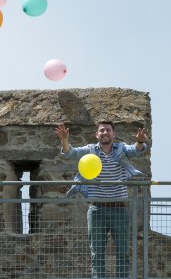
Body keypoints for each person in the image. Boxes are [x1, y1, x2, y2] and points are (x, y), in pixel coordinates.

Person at [55, 120, 149, 279]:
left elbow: (136, 151)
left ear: (114, 134)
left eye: (108, 130)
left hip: (119, 210)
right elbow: (70, 153)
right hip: (97, 210)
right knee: (97, 254)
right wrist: (64, 140)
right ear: (96, 134)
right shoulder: (90, 150)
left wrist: (140, 141)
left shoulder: (121, 148)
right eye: (102, 130)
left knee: (122, 253)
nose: (105, 132)